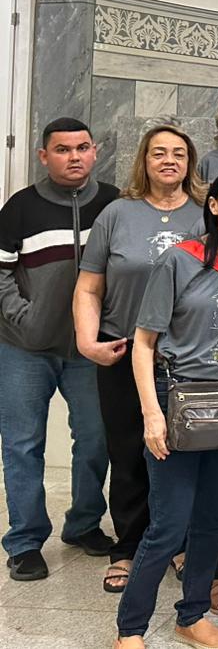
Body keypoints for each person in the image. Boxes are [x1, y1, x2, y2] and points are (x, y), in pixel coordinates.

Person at [113, 168, 218, 649]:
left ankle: (192, 613)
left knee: (211, 518)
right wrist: (151, 414)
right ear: (214, 203)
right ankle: (130, 628)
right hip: (176, 398)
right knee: (168, 524)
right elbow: (143, 344)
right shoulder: (180, 259)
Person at [74, 125, 205, 594]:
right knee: (127, 453)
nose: (168, 160)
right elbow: (90, 287)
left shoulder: (204, 216)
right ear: (143, 161)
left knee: (185, 455)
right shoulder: (117, 213)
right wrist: (88, 343)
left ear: (190, 162)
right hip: (123, 349)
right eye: (158, 153)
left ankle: (182, 544)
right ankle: (128, 547)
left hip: (186, 355)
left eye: (178, 153)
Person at [0, 118, 118, 582]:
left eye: (82, 148)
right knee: (23, 444)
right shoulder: (20, 208)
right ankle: (26, 541)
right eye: (63, 149)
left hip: (88, 349)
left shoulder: (113, 204)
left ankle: (85, 524)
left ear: (96, 151)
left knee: (95, 439)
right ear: (43, 156)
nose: (74, 157)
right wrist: (22, 317)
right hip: (24, 348)